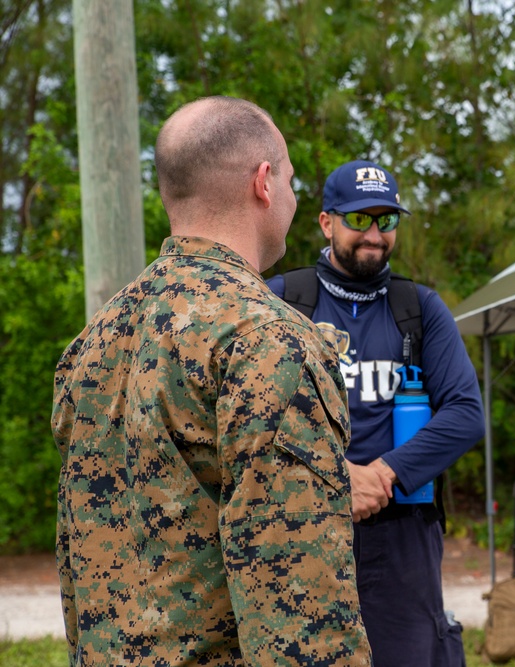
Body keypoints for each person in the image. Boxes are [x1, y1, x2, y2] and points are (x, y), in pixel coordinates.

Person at [51, 96, 371, 666]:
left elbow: (80, 564)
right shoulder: (269, 341)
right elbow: (299, 611)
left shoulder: (94, 340)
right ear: (264, 183)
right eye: (292, 181)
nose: (294, 199)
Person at [267, 160, 484, 666]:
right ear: (326, 222)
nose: (374, 234)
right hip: (305, 524)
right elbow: (251, 422)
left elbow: (466, 414)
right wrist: (340, 479)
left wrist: (383, 475)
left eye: (387, 221)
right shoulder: (282, 302)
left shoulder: (420, 308)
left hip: (403, 531)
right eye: (359, 219)